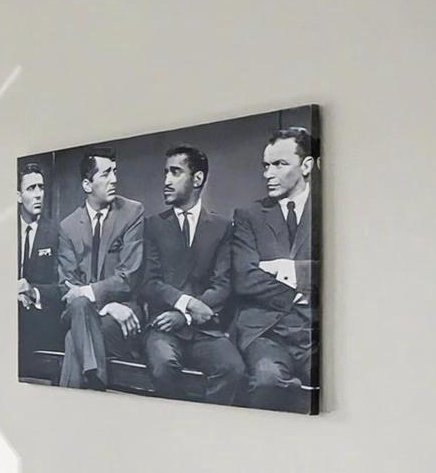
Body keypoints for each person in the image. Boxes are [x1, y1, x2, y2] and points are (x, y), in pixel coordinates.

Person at [140, 145, 244, 404]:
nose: (166, 181)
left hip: (205, 330)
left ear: (197, 179)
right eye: (165, 173)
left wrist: (184, 316)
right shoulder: (153, 226)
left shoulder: (222, 227)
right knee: (164, 365)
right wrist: (187, 303)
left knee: (233, 369)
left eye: (175, 172)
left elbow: (222, 286)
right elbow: (149, 283)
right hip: (162, 327)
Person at [231, 125, 320, 409]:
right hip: (265, 333)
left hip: (315, 330)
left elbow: (345, 274)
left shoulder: (330, 210)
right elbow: (244, 277)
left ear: (306, 165)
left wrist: (289, 269)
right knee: (268, 381)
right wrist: (301, 288)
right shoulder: (250, 216)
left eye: (280, 164)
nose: (268, 174)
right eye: (266, 166)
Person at [56, 149, 145, 388]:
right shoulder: (68, 226)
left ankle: (88, 384)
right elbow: (67, 287)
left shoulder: (132, 213)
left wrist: (95, 300)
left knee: (73, 336)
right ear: (87, 184)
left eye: (114, 172)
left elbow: (129, 277)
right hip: (89, 311)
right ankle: (96, 383)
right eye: (106, 174)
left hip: (122, 316)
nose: (114, 179)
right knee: (80, 307)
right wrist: (105, 305)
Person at [16, 161, 63, 374]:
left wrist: (32, 292)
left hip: (40, 319)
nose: (38, 195)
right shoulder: (4, 230)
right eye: (31, 188)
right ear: (18, 196)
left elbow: (62, 287)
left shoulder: (55, 232)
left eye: (41, 188)